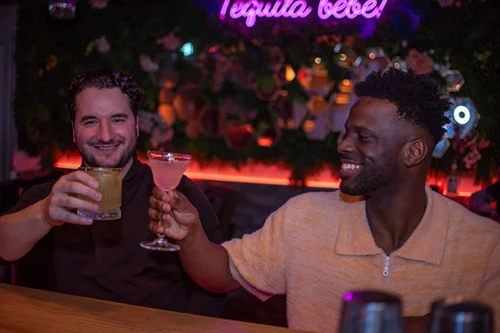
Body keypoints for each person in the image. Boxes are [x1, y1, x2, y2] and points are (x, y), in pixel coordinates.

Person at [148, 68, 500, 332]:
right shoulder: (304, 217)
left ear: (414, 152)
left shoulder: (484, 246)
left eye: (363, 137)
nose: (343, 145)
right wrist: (190, 235)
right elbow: (222, 274)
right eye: (346, 133)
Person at [0, 68, 226, 317]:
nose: (105, 135)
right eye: (90, 121)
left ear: (137, 126)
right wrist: (44, 214)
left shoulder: (176, 192)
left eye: (118, 119)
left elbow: (217, 282)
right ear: (74, 131)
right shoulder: (54, 196)